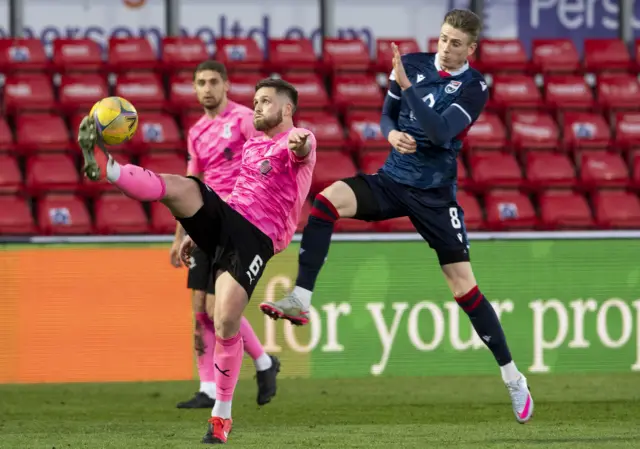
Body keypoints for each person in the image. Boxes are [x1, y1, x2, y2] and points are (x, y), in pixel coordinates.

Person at [259, 9, 534, 424]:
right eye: (443, 38)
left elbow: (441, 132)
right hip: (392, 180)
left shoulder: (475, 87)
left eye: (456, 42)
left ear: (471, 49)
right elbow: (387, 115)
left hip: (435, 197)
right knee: (327, 201)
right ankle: (301, 298)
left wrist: (407, 88)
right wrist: (389, 133)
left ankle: (513, 377)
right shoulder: (412, 64)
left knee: (464, 288)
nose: (446, 47)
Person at [78, 77, 316, 444]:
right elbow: (238, 193)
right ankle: (108, 168)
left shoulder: (296, 140)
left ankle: (221, 415)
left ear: (286, 109)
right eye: (255, 100)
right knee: (181, 187)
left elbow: (304, 147)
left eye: (265, 101)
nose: (256, 106)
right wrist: (195, 233)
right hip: (229, 217)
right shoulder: (252, 145)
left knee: (224, 320)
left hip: (257, 238)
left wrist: (302, 141)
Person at [170, 60, 279, 409]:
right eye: (200, 82)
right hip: (204, 222)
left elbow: (266, 158)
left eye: (213, 81)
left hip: (238, 220)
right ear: (193, 88)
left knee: (220, 308)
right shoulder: (196, 131)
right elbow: (190, 186)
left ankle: (262, 362)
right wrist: (179, 234)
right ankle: (209, 387)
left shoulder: (245, 119)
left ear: (227, 85)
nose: (207, 88)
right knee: (200, 308)